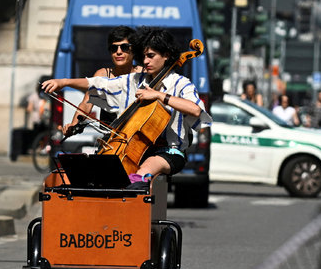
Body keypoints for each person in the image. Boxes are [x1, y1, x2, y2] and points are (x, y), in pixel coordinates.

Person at [41, 27, 212, 188]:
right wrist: (63, 82)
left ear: (166, 55)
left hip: (169, 151)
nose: (145, 61)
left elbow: (196, 110)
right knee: (86, 174)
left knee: (143, 172)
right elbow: (99, 84)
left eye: (151, 56)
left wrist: (160, 95)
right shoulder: (136, 80)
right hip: (135, 149)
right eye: (144, 56)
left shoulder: (182, 84)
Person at [63, 25, 141, 136]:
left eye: (124, 47)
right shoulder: (103, 74)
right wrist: (73, 125)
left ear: (133, 50)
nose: (118, 52)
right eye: (114, 48)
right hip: (110, 140)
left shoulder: (142, 74)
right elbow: (86, 103)